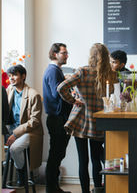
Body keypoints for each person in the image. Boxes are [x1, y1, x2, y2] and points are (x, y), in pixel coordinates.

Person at [57, 43, 117, 193]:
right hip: (99, 121)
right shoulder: (110, 74)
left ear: (91, 55)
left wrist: (73, 100)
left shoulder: (82, 71)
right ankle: (97, 189)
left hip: (81, 121)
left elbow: (61, 88)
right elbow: (114, 97)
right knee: (96, 158)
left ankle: (84, 191)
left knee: (83, 161)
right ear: (106, 56)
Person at [6, 64, 43, 187]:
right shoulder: (9, 90)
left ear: (23, 76)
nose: (11, 78)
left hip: (30, 132)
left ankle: (22, 176)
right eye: (10, 75)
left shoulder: (33, 94)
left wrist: (15, 134)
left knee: (14, 148)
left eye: (15, 75)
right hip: (12, 130)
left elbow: (34, 121)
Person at [43, 43, 72, 193]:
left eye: (66, 53)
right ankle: (51, 189)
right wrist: (68, 84)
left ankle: (54, 188)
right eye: (64, 53)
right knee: (56, 155)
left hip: (57, 118)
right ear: (55, 54)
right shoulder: (53, 71)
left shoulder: (55, 70)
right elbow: (58, 93)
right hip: (57, 119)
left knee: (58, 154)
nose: (67, 55)